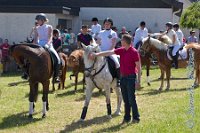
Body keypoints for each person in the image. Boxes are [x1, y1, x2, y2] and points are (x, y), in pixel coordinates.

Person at [90, 34, 141, 124]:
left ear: (125, 42)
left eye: (122, 40)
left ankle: (136, 118)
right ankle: (127, 118)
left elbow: (138, 67)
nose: (120, 41)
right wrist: (96, 54)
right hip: (123, 77)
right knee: (125, 99)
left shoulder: (134, 52)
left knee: (131, 98)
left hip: (131, 77)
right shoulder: (121, 50)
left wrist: (138, 81)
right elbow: (109, 53)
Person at [34, 13, 61, 83]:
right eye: (37, 20)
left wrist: (47, 44)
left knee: (57, 59)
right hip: (39, 45)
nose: (37, 21)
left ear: (43, 20)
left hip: (48, 44)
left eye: (38, 20)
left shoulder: (49, 27)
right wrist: (33, 45)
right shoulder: (36, 28)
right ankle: (26, 74)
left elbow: (50, 37)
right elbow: (36, 38)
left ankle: (56, 77)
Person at [96, 18, 120, 86]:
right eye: (105, 24)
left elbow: (113, 44)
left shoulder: (113, 33)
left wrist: (108, 52)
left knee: (117, 63)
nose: (107, 25)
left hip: (110, 52)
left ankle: (117, 79)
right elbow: (98, 42)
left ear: (111, 25)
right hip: (101, 52)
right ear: (104, 24)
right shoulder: (101, 32)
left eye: (108, 24)